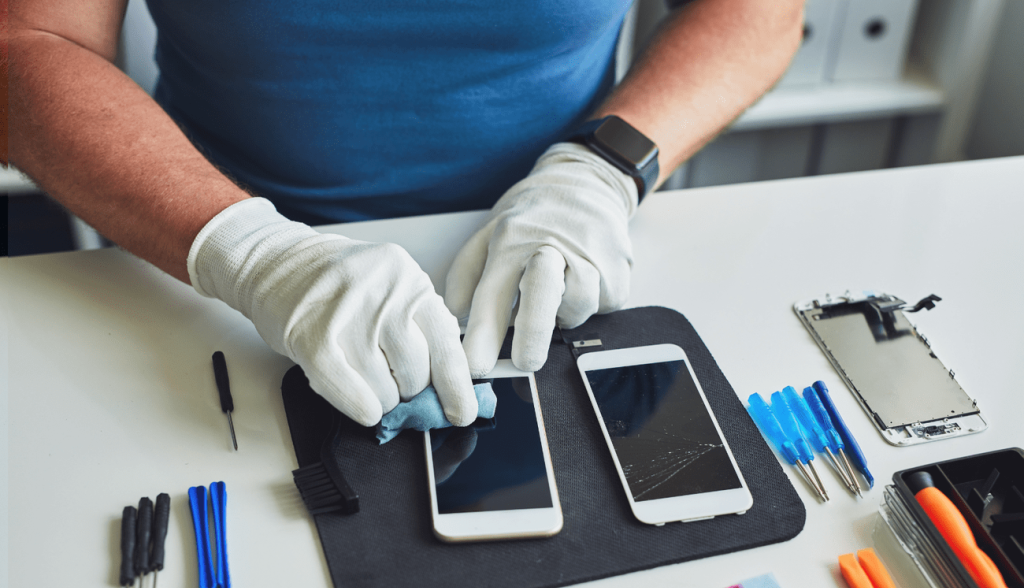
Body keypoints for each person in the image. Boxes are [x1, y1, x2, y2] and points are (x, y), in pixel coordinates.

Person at [6, 1, 805, 428]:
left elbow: (755, 11)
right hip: (211, 262)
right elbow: (28, 38)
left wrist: (604, 168)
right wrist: (250, 254)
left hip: (562, 247)